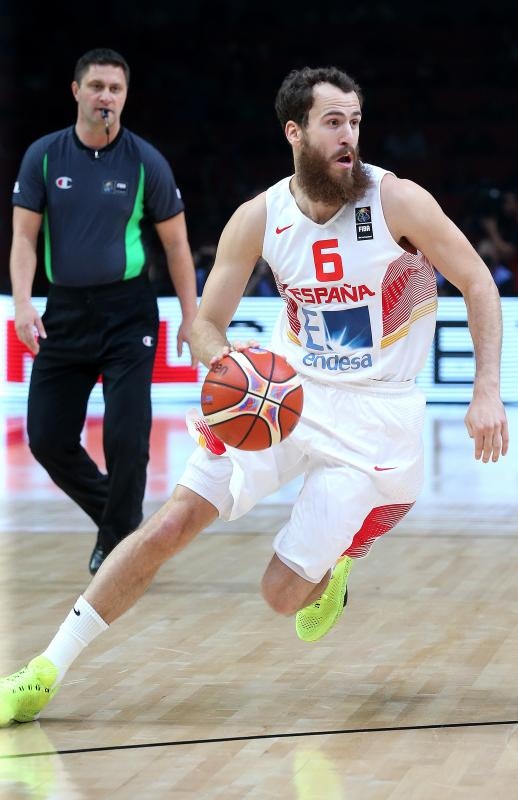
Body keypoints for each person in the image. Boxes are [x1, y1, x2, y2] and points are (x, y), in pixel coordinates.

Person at [0, 66, 508, 727]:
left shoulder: (398, 201)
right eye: (333, 122)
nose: (348, 135)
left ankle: (347, 553)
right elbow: (205, 326)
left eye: (355, 121)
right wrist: (230, 369)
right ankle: (46, 668)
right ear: (294, 131)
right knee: (171, 523)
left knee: (281, 595)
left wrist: (487, 390)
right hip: (282, 396)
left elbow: (477, 283)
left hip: (375, 413)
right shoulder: (260, 217)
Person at [9, 48, 198, 574]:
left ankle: (118, 545)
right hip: (64, 312)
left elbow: (178, 246)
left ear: (125, 97)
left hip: (127, 313)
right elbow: (24, 239)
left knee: (126, 436)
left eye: (115, 89)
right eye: (96, 87)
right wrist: (23, 303)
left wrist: (191, 315)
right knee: (46, 438)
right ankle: (120, 520)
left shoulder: (146, 162)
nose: (105, 97)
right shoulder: (44, 157)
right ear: (76, 91)